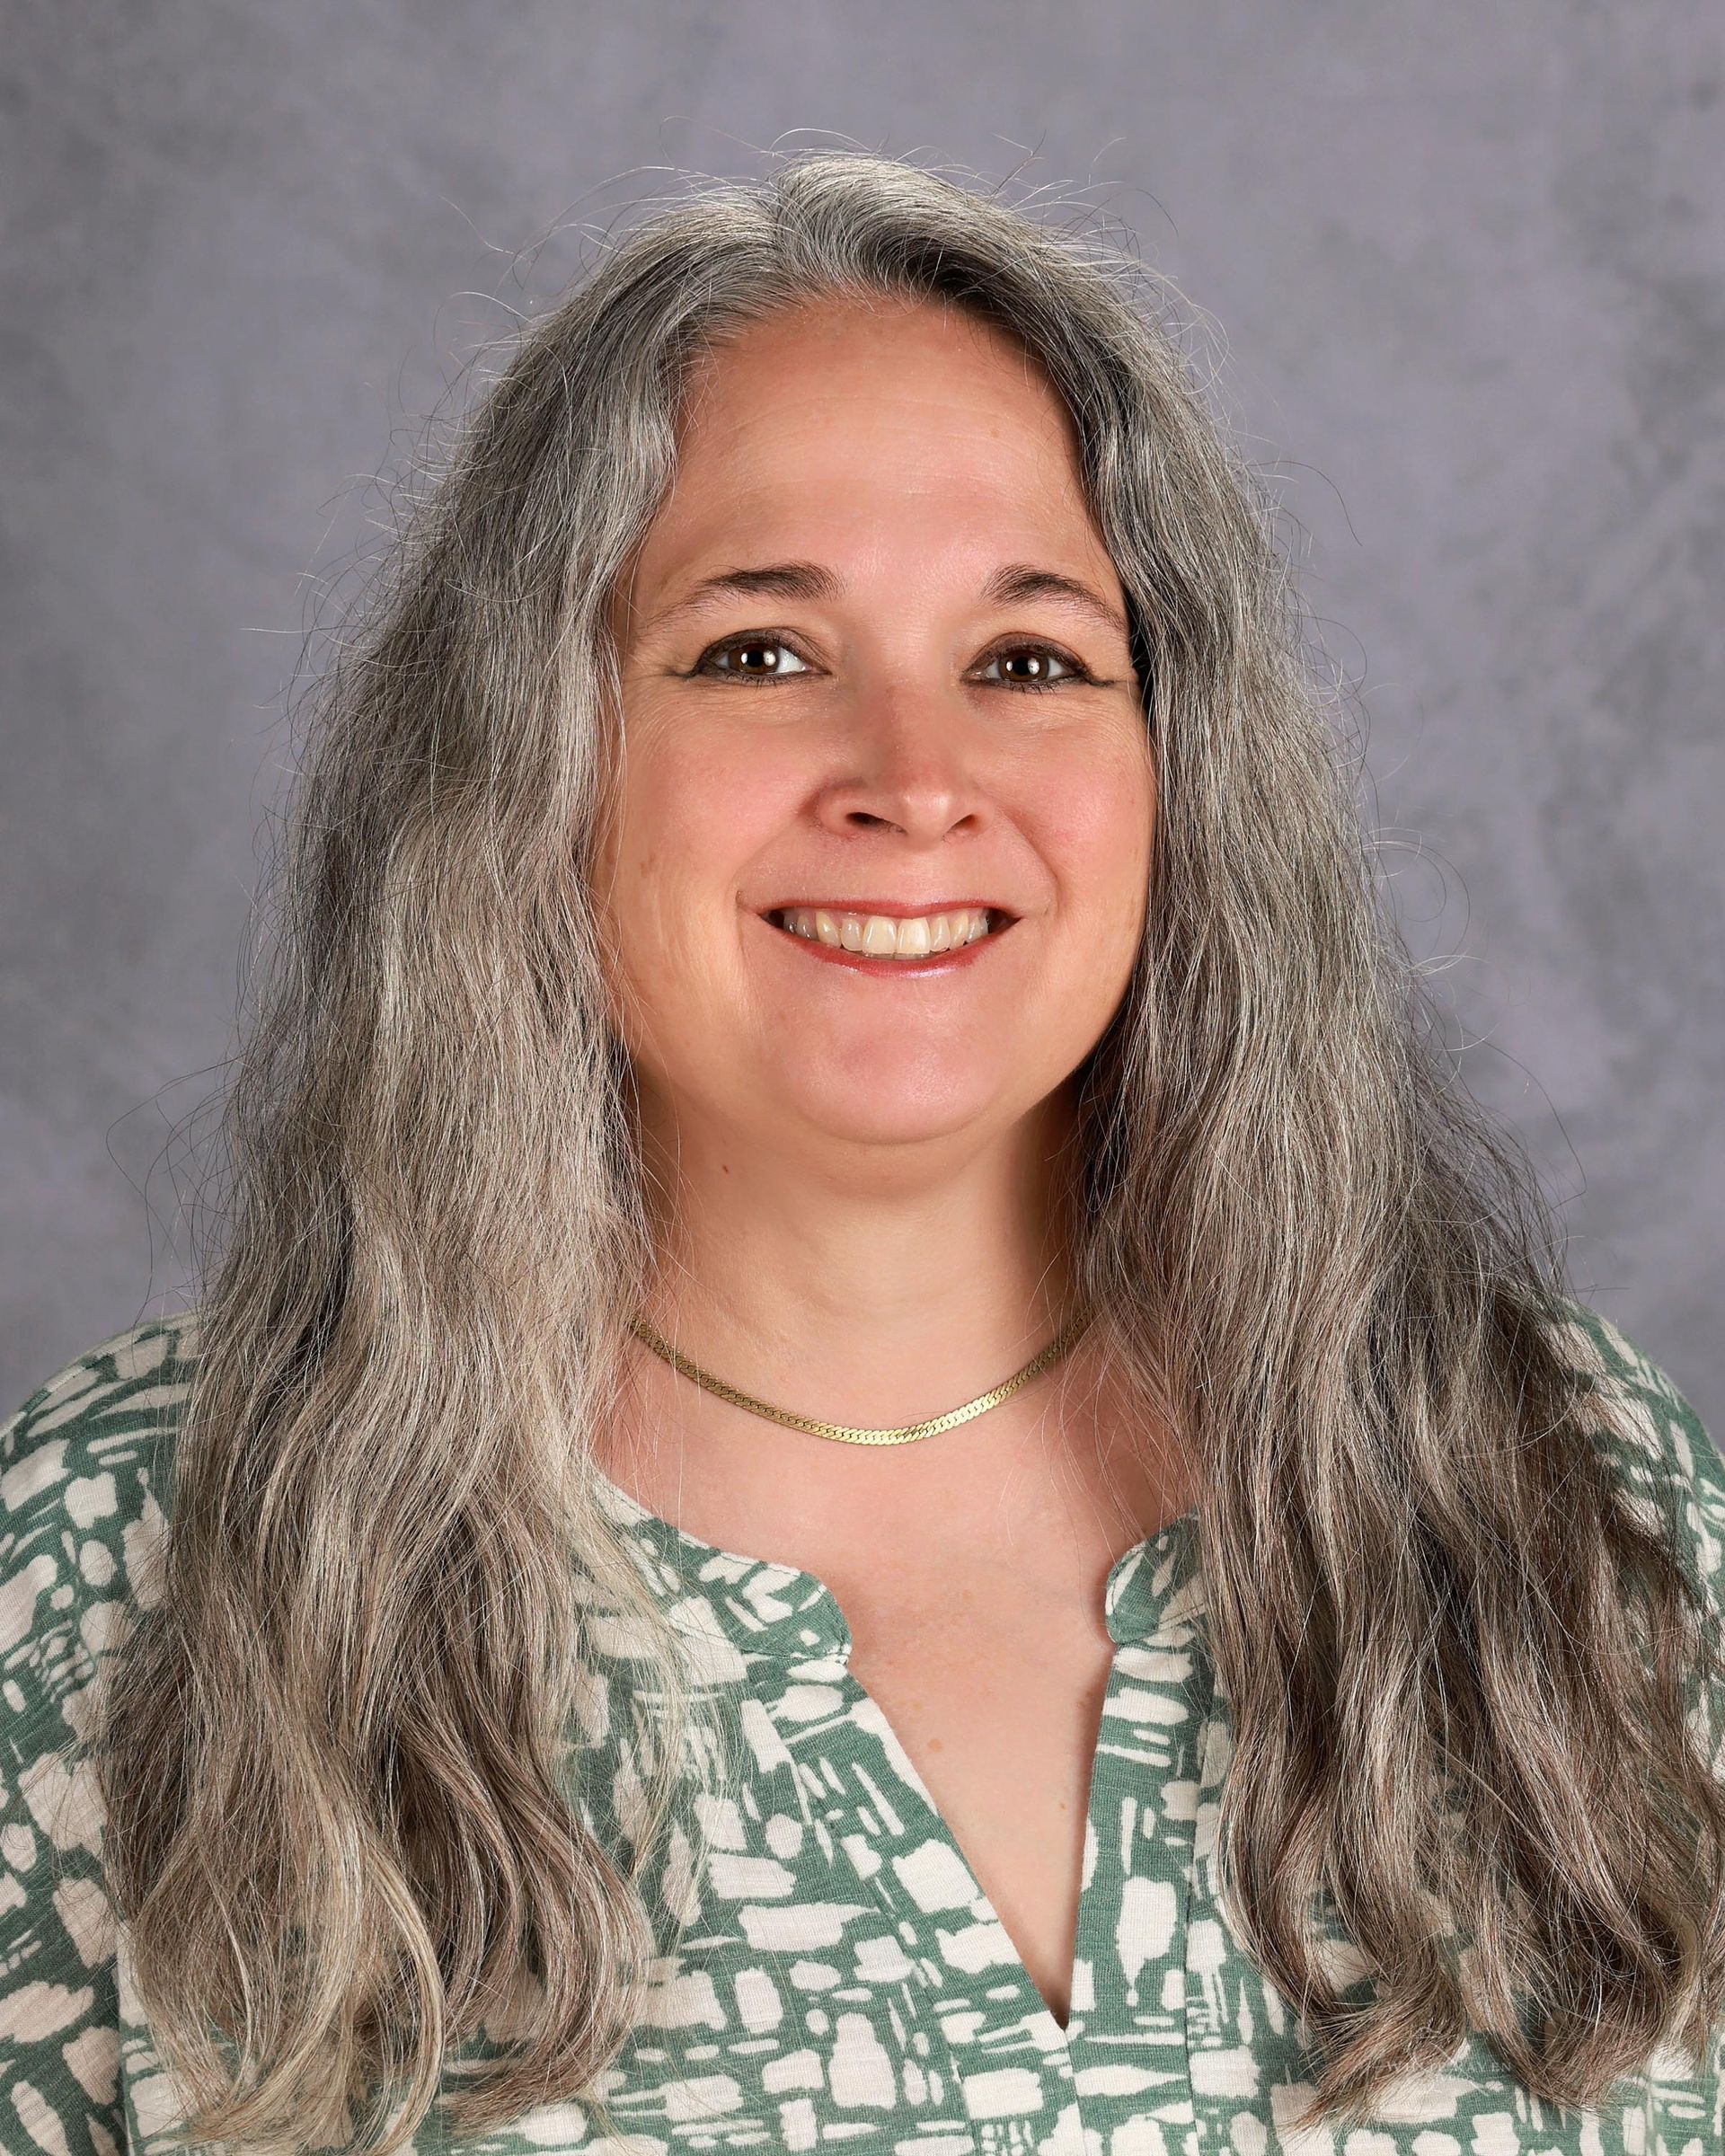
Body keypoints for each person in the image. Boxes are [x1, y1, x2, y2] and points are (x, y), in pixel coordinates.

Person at [3, 150, 1721, 2156]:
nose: (915, 780)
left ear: (1180, 773)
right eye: (758, 652)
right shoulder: (118, 1564)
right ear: (530, 760)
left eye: (1029, 662)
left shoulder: (1567, 1488)